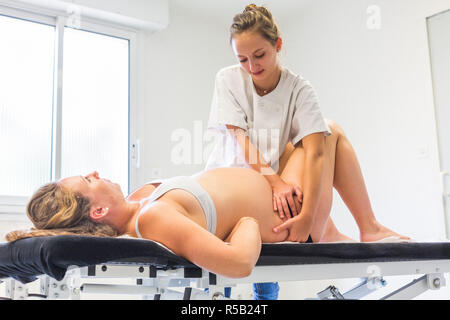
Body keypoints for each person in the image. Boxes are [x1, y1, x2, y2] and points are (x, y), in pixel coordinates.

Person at [204, 4, 409, 299]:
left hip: (277, 186)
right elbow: (240, 139)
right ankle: (346, 230)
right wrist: (276, 183)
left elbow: (315, 154)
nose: (252, 66)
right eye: (243, 59)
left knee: (328, 130)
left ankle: (361, 227)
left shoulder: (299, 89)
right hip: (238, 186)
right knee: (329, 130)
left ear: (278, 45)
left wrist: (308, 215)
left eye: (259, 55)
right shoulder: (228, 79)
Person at [6, 167, 407, 280]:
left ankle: (349, 230)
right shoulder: (152, 217)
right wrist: (246, 220)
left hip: (281, 189)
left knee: (313, 137)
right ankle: (356, 230)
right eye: (90, 180)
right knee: (329, 131)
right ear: (97, 213)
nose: (96, 171)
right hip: (291, 217)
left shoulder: (140, 200)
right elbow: (236, 264)